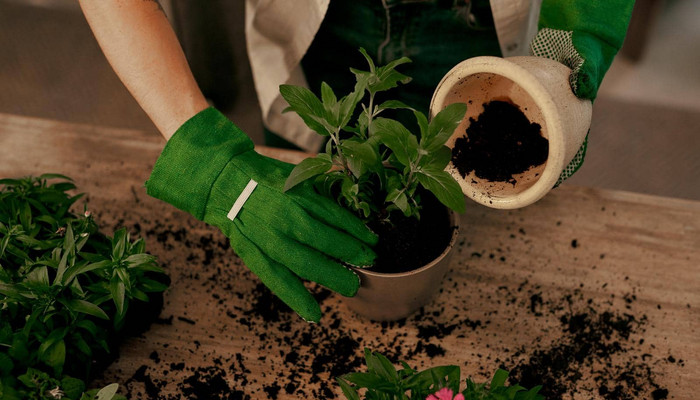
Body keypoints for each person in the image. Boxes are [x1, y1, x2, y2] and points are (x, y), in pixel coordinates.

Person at [78, 0, 634, 321]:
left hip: (473, 20)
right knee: (322, 154)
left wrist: (583, 25)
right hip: (323, 16)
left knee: (455, 155)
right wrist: (206, 156)